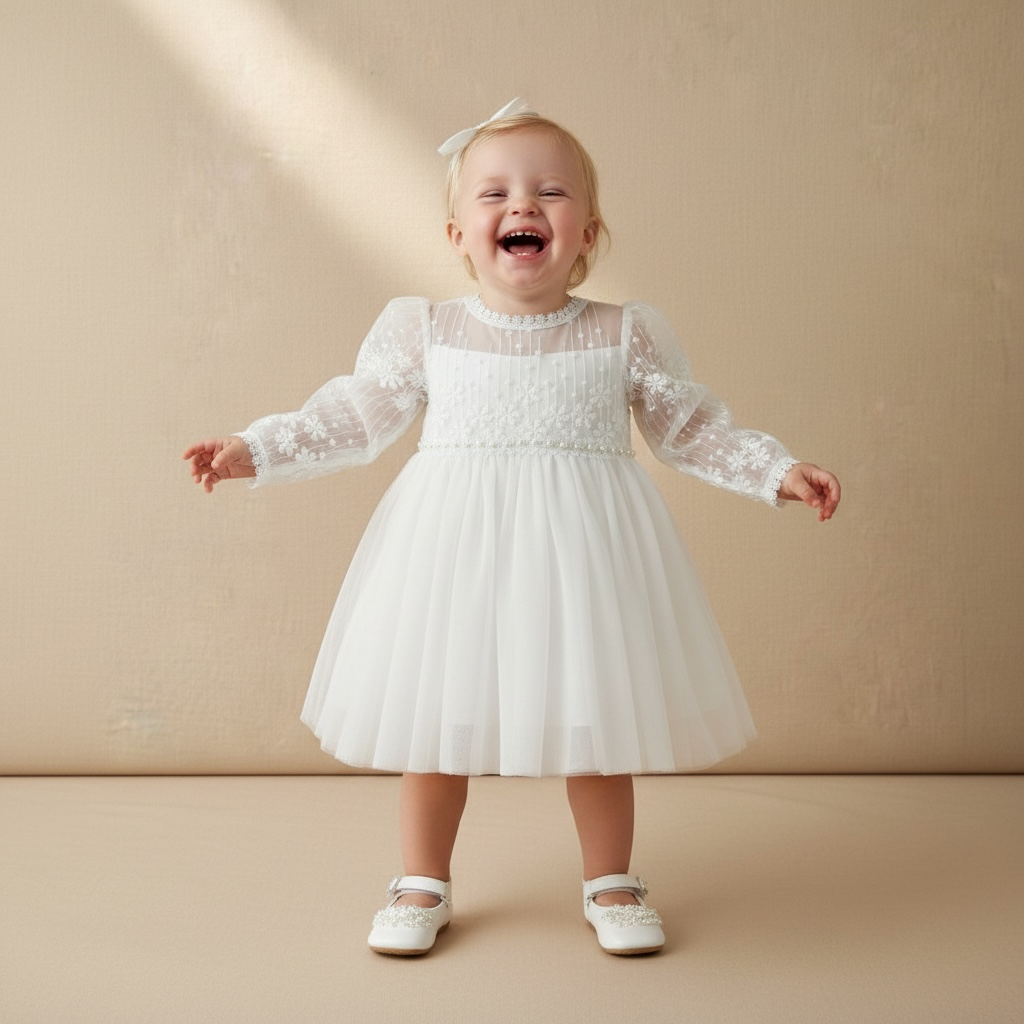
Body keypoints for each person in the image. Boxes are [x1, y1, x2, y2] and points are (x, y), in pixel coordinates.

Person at [183, 99, 840, 958]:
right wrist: (255, 449)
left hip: (585, 560)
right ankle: (422, 879)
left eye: (550, 192)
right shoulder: (427, 331)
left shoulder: (621, 334)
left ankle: (611, 879)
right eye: (493, 194)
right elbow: (353, 414)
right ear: (458, 235)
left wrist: (774, 471)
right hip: (454, 555)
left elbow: (690, 426)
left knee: (597, 721)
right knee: (436, 719)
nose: (522, 207)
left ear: (589, 233)